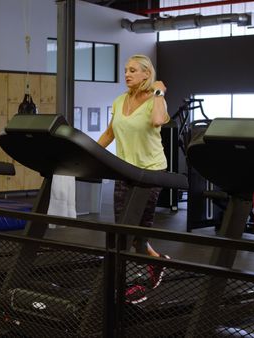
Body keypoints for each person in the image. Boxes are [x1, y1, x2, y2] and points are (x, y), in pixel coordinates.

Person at [97, 54, 170, 303]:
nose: (127, 74)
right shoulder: (119, 101)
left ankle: (127, 285)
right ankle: (156, 263)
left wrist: (159, 93)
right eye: (125, 70)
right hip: (124, 171)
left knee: (133, 234)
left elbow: (158, 120)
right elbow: (109, 133)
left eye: (132, 70)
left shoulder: (155, 101)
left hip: (150, 172)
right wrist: (89, 155)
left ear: (146, 74)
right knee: (124, 234)